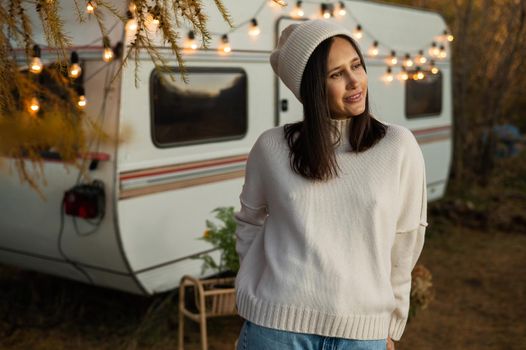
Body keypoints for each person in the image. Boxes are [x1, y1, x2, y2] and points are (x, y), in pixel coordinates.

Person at [234, 19, 428, 350]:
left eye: (356, 66)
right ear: (311, 88)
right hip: (277, 330)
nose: (355, 81)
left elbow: (405, 240)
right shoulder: (271, 147)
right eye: (336, 74)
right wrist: (257, 293)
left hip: (362, 335)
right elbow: (249, 223)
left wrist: (391, 324)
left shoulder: (398, 146)